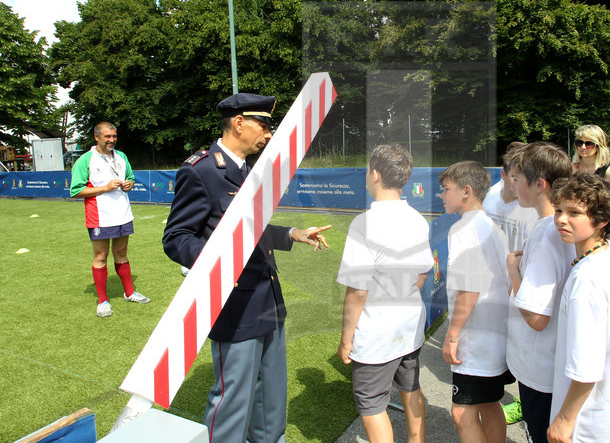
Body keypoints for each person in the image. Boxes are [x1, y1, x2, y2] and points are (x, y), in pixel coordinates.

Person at [162, 93, 330, 443]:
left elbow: (250, 231)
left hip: (268, 296)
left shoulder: (251, 170)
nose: (269, 134)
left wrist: (292, 234)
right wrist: (220, 261)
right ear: (239, 123)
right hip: (234, 304)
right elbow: (177, 238)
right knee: (233, 402)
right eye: (264, 125)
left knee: (271, 398)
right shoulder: (202, 170)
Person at [336, 144, 434, 443]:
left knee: (371, 403)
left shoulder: (364, 224)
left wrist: (346, 338)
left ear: (375, 174)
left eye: (368, 170)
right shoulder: (417, 218)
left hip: (377, 332)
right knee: (411, 387)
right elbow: (422, 273)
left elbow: (357, 292)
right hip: (410, 325)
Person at [547, 174, 610, 443]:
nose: (561, 219)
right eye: (559, 210)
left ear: (601, 220)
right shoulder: (607, 255)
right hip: (604, 403)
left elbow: (587, 364)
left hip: (585, 418)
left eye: (574, 213)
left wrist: (564, 419)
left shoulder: (589, 279)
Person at [503, 142, 574, 442]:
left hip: (540, 368)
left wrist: (513, 273)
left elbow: (537, 318)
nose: (513, 185)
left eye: (517, 179)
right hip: (552, 362)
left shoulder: (548, 235)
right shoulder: (562, 227)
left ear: (540, 184)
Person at [439, 160, 512, 443]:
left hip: (476, 341)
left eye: (446, 189)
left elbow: (469, 288)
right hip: (494, 336)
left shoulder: (463, 229)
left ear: (466, 191)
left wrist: (452, 335)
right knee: (489, 404)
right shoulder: (492, 227)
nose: (442, 195)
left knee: (462, 414)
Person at [70, 121, 150, 318]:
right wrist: (105, 188)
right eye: (107, 137)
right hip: (99, 216)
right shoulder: (86, 160)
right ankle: (103, 301)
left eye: (114, 136)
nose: (111, 140)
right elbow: (76, 190)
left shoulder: (121, 157)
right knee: (100, 256)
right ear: (97, 137)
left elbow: (129, 177)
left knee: (121, 252)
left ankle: (130, 293)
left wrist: (129, 184)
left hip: (123, 213)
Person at [483, 141, 539, 252]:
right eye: (515, 177)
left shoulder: (534, 208)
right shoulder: (490, 198)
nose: (520, 182)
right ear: (503, 175)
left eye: (525, 176)